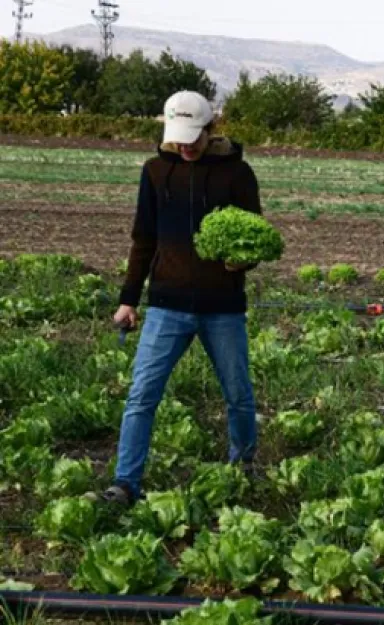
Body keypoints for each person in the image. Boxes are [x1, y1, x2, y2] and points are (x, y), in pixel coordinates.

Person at [92, 90, 262, 506]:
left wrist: (242, 262)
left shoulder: (238, 174)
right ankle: (126, 483)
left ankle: (243, 473)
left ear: (211, 129)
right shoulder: (154, 172)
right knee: (141, 396)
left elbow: (256, 236)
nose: (186, 146)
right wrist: (128, 299)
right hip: (167, 304)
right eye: (179, 137)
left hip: (222, 307)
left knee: (239, 396)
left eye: (194, 137)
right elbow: (143, 238)